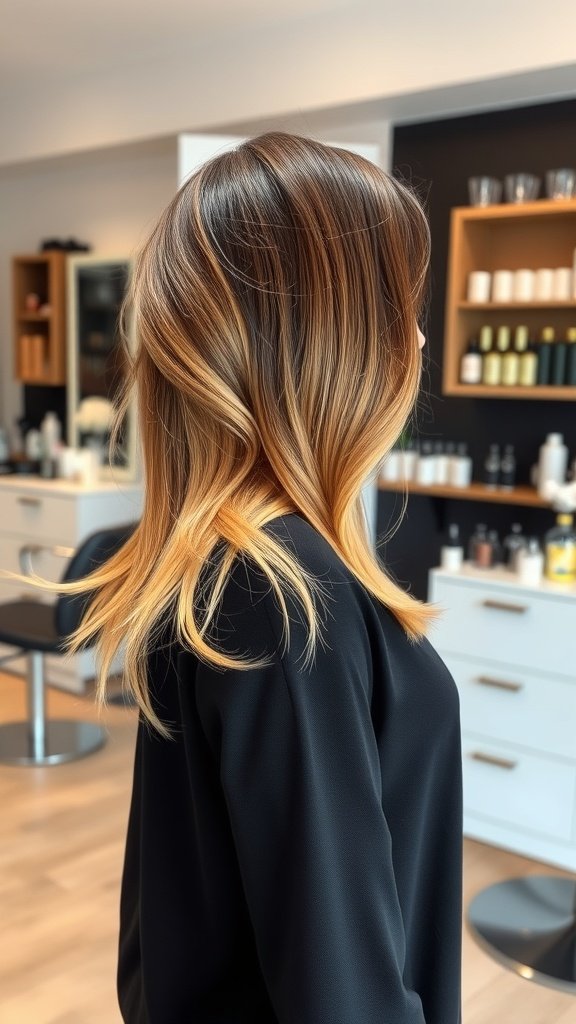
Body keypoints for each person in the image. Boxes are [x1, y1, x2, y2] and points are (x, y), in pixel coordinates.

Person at [67, 132, 463, 1023]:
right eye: (399, 303)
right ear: (333, 337)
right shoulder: (281, 599)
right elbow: (344, 1000)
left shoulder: (237, 571)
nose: (420, 333)